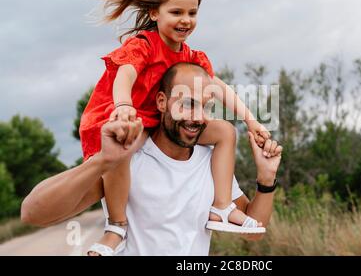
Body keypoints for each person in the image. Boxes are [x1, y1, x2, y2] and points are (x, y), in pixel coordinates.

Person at [77, 0, 273, 255]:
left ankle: (221, 206)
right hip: (126, 114)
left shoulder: (190, 56)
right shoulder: (143, 45)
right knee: (121, 149)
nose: (186, 20)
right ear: (155, 13)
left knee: (224, 131)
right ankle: (116, 225)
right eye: (176, 12)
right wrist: (123, 106)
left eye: (192, 13)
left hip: (159, 118)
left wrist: (251, 120)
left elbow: (218, 87)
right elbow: (125, 77)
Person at [21, 63, 282, 255]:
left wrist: (266, 179)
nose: (198, 117)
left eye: (205, 106)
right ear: (161, 101)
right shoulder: (126, 159)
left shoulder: (212, 163)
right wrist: (102, 161)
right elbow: (32, 213)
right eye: (188, 104)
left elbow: (252, 232)